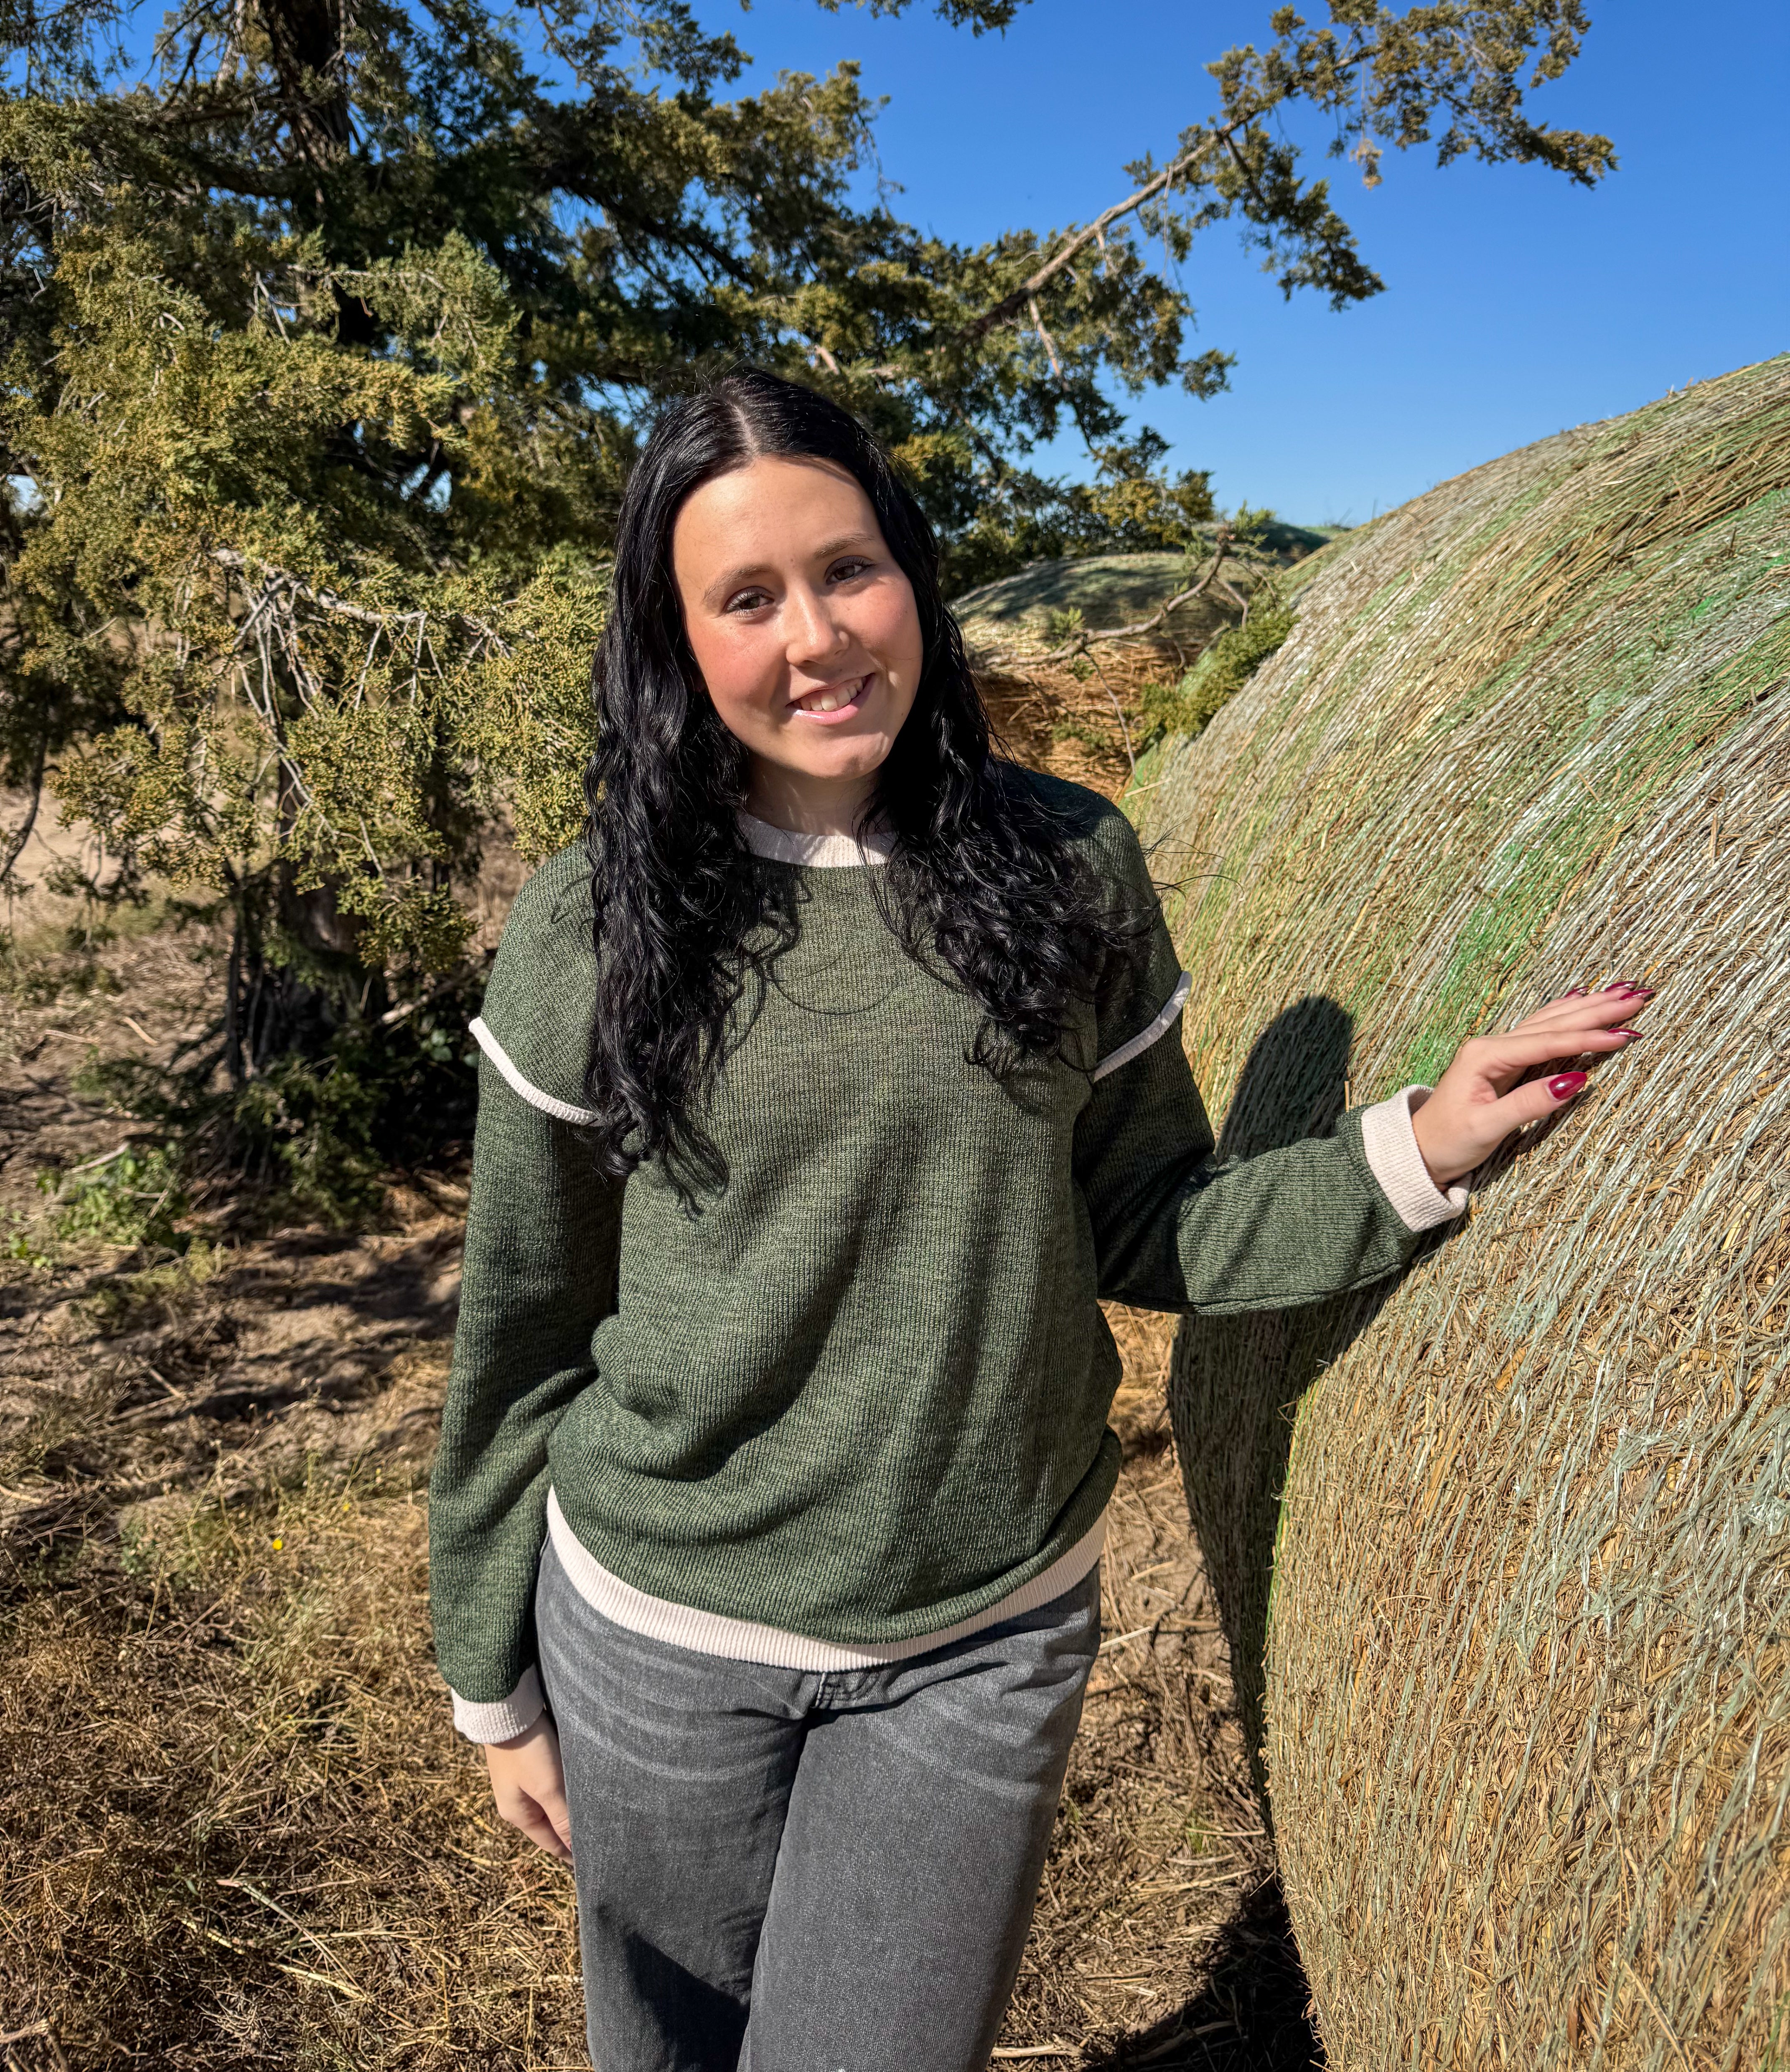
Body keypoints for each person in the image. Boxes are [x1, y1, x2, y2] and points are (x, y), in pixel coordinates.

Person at [427, 368, 1649, 2072]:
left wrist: (1421, 1146)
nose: (819, 638)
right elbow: (527, 1318)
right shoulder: (593, 926)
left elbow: (1150, 1215)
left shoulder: (1070, 864)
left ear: (913, 576)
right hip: (658, 1644)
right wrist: (495, 1681)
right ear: (672, 640)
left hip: (979, 1642)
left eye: (849, 570)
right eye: (747, 598)